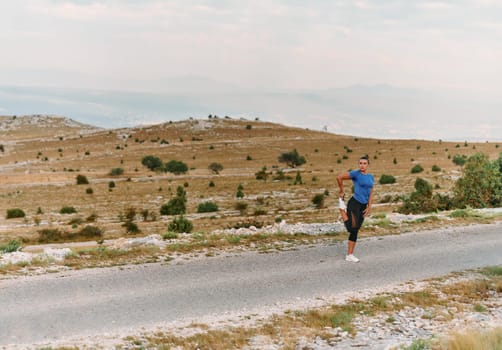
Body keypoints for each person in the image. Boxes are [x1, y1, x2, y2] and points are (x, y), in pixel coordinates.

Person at [336, 155, 374, 262]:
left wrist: (369, 206)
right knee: (351, 228)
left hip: (363, 205)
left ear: (368, 165)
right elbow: (339, 177)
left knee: (355, 230)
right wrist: (341, 190)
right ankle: (341, 209)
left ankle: (349, 255)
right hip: (354, 203)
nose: (362, 165)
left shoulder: (371, 177)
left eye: (364, 163)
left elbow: (371, 192)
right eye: (360, 163)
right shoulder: (355, 174)